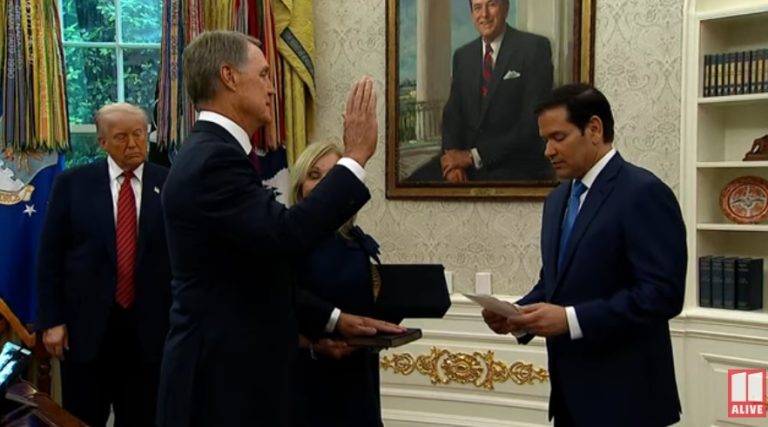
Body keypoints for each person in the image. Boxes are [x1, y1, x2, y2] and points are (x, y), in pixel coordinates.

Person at [156, 30, 403, 427]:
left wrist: (334, 319)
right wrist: (355, 156)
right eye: (264, 75)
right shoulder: (213, 160)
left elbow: (252, 272)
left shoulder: (212, 152)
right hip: (220, 387)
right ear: (229, 77)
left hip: (232, 381)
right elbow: (287, 235)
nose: (273, 88)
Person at [481, 84, 686, 426]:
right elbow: (555, 283)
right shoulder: (557, 200)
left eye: (558, 137)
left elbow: (663, 295)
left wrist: (571, 320)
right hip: (569, 400)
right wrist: (518, 315)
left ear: (594, 129)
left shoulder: (644, 192)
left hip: (629, 402)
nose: (548, 151)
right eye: (545, 140)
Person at [36, 103, 171, 427]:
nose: (133, 144)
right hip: (86, 331)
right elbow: (50, 256)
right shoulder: (73, 183)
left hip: (149, 332)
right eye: (122, 137)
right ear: (102, 142)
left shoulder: (170, 183)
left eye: (139, 134)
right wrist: (52, 321)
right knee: (82, 417)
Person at [289, 141, 385, 427]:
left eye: (333, 177)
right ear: (299, 187)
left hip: (358, 383)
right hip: (306, 383)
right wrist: (315, 345)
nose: (324, 186)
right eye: (314, 175)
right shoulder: (286, 243)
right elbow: (274, 311)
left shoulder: (356, 242)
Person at [410, 0, 554, 182]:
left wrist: (472, 156)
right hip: (463, 161)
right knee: (410, 184)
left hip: (513, 163)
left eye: (491, 4)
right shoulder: (463, 56)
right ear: (472, 14)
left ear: (506, 8)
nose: (484, 14)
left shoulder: (534, 48)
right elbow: (452, 116)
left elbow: (532, 124)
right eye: (477, 8)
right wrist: (453, 159)